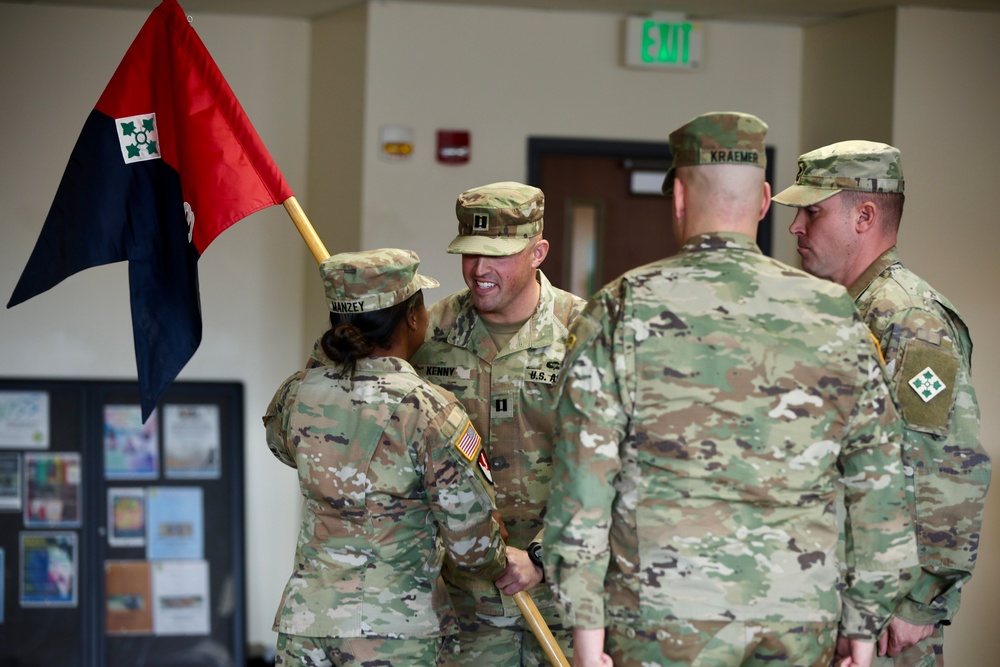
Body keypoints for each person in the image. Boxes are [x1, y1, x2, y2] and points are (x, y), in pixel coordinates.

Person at [542, 112, 919, 667]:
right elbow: (878, 484)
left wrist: (585, 640)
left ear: (677, 198)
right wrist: (861, 635)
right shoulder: (834, 314)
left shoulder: (621, 308)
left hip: (659, 622)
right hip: (798, 619)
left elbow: (583, 484)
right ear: (766, 199)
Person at [773, 141, 991, 667]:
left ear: (864, 215)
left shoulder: (909, 320)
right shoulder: (844, 310)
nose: (796, 226)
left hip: (887, 617)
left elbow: (947, 467)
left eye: (813, 211)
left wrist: (919, 601)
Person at [263, 248, 507, 666]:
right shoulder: (428, 409)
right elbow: (473, 551)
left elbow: (282, 446)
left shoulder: (295, 393)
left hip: (306, 627)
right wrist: (499, 550)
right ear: (412, 317)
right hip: (394, 633)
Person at [410, 182, 586, 666]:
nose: (479, 270)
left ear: (538, 252)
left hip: (563, 602)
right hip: (462, 605)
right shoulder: (426, 332)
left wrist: (541, 558)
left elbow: (611, 466)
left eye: (498, 255)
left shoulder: (584, 333)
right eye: (469, 253)